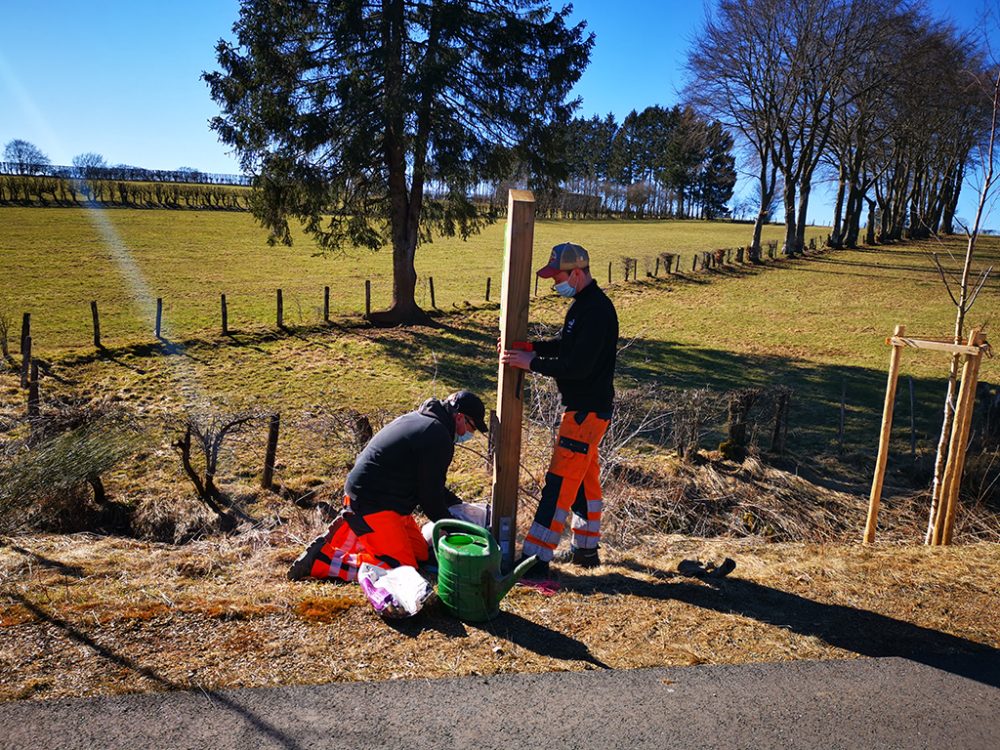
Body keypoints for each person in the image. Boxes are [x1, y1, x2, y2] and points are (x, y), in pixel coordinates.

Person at [500, 242, 618, 577]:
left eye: (558, 277)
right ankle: (586, 551)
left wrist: (531, 362)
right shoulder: (585, 305)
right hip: (590, 412)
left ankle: (535, 561)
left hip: (584, 414)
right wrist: (531, 347)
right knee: (584, 482)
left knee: (559, 483)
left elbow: (577, 366)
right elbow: (569, 347)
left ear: (577, 273)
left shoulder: (594, 310)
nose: (555, 284)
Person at [287, 390, 489, 582]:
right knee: (404, 570)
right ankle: (324, 560)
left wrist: (457, 505)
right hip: (373, 505)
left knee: (420, 555)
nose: (469, 434)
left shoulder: (423, 421)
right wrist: (453, 527)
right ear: (460, 417)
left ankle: (353, 532)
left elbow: (430, 483)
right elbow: (429, 498)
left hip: (389, 503)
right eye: (471, 428)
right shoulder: (437, 436)